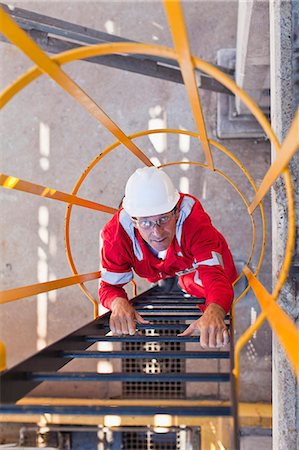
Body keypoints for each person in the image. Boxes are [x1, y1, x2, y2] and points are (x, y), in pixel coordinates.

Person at [99, 167, 238, 348]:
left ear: (177, 211)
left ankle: (179, 281)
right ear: (133, 220)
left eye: (163, 219)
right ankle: (168, 278)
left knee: (214, 282)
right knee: (158, 275)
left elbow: (214, 276)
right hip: (157, 268)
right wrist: (117, 303)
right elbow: (108, 287)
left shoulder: (194, 221)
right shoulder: (116, 236)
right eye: (146, 222)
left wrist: (216, 310)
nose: (156, 232)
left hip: (189, 264)